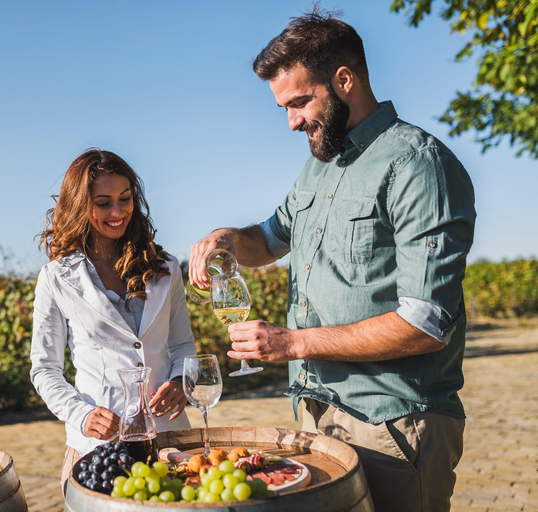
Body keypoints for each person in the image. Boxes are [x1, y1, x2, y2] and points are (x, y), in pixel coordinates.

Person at [189, 8, 476, 512]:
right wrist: (229, 239)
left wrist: (291, 343)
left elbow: (427, 323)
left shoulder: (417, 165)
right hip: (318, 417)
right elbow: (272, 238)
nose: (291, 120)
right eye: (283, 107)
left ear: (344, 80)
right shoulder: (317, 169)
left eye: (299, 102)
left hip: (393, 424)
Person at [30, 148, 195, 494]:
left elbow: (181, 344)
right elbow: (44, 369)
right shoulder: (56, 278)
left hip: (169, 437)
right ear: (79, 205)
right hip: (97, 447)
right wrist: (81, 415)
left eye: (125, 198)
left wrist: (181, 381)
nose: (118, 212)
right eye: (103, 202)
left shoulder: (166, 269)